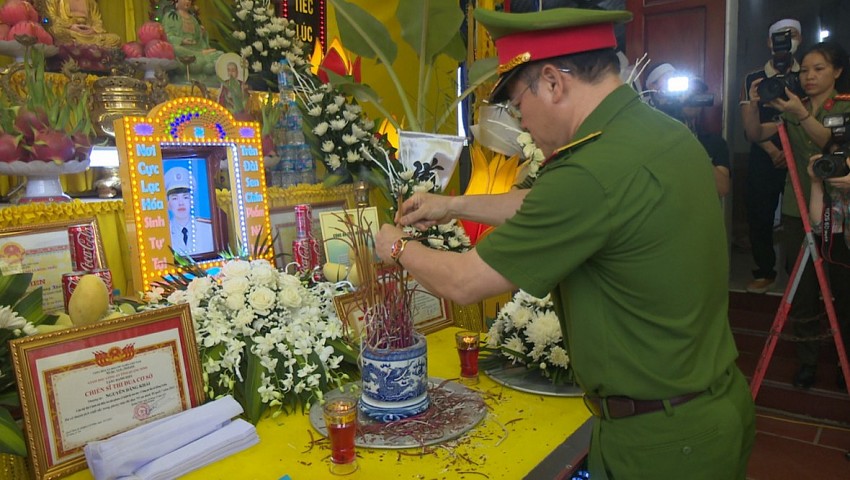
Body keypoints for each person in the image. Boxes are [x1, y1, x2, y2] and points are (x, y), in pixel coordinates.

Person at [376, 7, 755, 479]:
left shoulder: (590, 170)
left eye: (518, 106)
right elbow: (553, 205)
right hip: (711, 409)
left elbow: (462, 281)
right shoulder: (657, 133)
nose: (521, 124)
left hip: (660, 443)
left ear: (554, 82)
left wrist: (392, 246)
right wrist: (450, 205)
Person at [743, 41, 850, 389]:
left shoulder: (844, 107)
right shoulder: (794, 107)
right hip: (797, 208)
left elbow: (832, 145)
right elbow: (756, 134)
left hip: (839, 211)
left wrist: (801, 116)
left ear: (836, 72)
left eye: (819, 69)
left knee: (843, 289)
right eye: (804, 70)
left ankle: (843, 360)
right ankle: (807, 360)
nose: (809, 76)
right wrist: (751, 102)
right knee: (802, 289)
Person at [740, 19, 802, 294]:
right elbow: (750, 125)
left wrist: (789, 153)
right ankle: (764, 271)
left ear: (800, 39)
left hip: (798, 155)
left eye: (791, 36)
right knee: (759, 214)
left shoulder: (806, 74)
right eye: (778, 37)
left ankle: (796, 272)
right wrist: (775, 150)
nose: (784, 41)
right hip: (765, 154)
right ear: (768, 42)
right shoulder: (753, 78)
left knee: (796, 216)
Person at [806, 152, 850, 389]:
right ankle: (844, 367)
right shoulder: (840, 192)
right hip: (844, 261)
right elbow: (818, 225)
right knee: (845, 311)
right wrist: (815, 182)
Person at [161, 0, 224, 85]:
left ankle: (200, 57)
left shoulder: (193, 19)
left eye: (189, 0)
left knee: (220, 54)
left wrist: (203, 34)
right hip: (183, 51)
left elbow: (199, 41)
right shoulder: (170, 16)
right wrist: (182, 41)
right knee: (174, 49)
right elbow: (166, 36)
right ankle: (201, 55)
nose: (187, 2)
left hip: (196, 49)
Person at [165, 166, 214, 255]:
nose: (181, 203)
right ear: (168, 204)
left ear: (192, 201)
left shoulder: (208, 230)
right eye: (175, 198)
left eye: (185, 197)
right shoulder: (163, 233)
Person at [45, 0, 121, 47]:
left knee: (115, 39)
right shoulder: (55, 1)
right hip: (70, 32)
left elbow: (97, 21)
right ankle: (86, 46)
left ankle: (81, 46)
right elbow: (51, 17)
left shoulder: (91, 2)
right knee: (55, 31)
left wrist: (93, 29)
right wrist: (70, 26)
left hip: (89, 35)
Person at [216, 53, 252, 118]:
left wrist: (244, 91)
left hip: (239, 112)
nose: (231, 73)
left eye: (233, 70)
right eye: (229, 70)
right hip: (227, 112)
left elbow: (247, 99)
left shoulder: (241, 84)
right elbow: (221, 98)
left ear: (237, 72)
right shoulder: (225, 84)